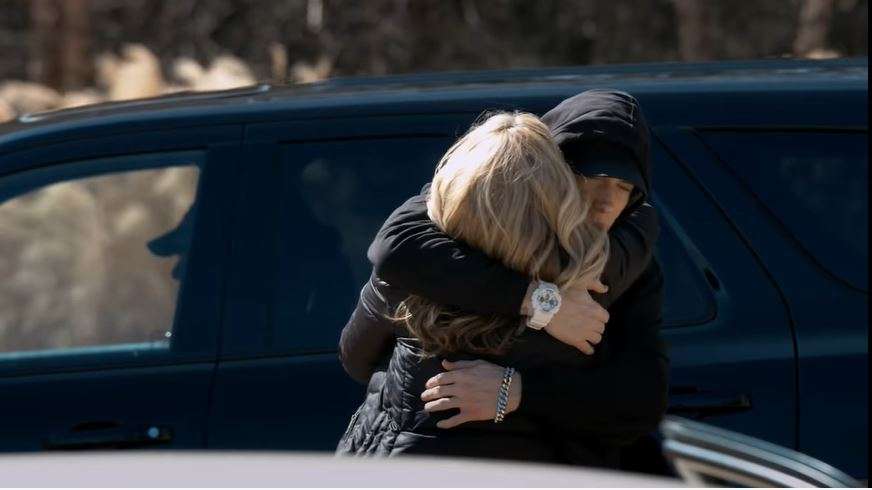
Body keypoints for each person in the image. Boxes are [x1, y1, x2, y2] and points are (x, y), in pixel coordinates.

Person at [340, 89, 668, 468]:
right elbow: (395, 245)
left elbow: (640, 403)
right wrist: (543, 303)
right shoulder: (428, 248)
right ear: (546, 172)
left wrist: (516, 391)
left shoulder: (623, 269)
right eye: (590, 177)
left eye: (624, 187)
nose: (607, 202)